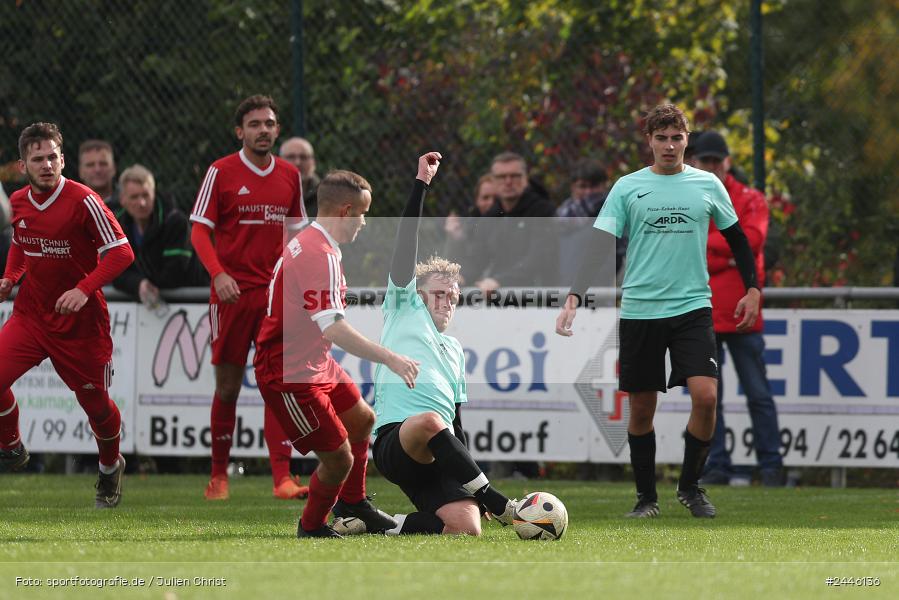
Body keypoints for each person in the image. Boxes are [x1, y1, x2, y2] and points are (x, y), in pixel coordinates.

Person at [556, 104, 761, 519]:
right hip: (641, 310)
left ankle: (690, 487)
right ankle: (646, 498)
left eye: (677, 138)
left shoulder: (707, 184)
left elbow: (739, 239)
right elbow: (598, 245)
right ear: (649, 141)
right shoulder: (628, 187)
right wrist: (574, 295)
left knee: (706, 396)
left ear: (686, 140)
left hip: (692, 308)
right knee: (643, 408)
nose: (669, 146)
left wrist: (753, 288)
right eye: (662, 138)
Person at [347, 152, 517, 537]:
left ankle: (374, 521)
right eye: (438, 294)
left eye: (453, 296)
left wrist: (469, 475)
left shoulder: (454, 349)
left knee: (464, 529)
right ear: (419, 295)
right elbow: (407, 238)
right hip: (398, 443)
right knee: (428, 420)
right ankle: (500, 502)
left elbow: (457, 423)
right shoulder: (404, 308)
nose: (447, 301)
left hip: (438, 451)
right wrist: (421, 182)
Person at [253, 168, 419, 538]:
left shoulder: (314, 241)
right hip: (289, 374)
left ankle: (353, 503)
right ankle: (311, 527)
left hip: (313, 362)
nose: (364, 221)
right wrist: (389, 357)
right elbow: (333, 328)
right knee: (338, 458)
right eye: (362, 213)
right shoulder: (319, 252)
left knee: (361, 420)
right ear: (345, 211)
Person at [0, 122, 134, 508]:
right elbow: (22, 242)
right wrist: (10, 278)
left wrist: (83, 288)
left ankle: (110, 467)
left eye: (52, 156)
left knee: (96, 406)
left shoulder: (83, 199)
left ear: (63, 158)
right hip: (32, 317)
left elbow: (122, 252)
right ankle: (11, 445)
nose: (46, 164)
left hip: (81, 326)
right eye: (37, 158)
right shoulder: (19, 202)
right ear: (23, 164)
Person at [190, 95, 309, 501]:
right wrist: (219, 274)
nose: (263, 130)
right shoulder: (220, 172)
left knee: (278, 385)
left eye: (269, 123)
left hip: (276, 298)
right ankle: (218, 477)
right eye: (255, 124)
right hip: (231, 296)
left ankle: (282, 479)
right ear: (240, 131)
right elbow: (198, 232)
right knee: (227, 387)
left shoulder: (291, 175)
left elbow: (298, 236)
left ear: (277, 130)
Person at [691, 131, 784, 487]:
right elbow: (692, 244)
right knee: (710, 398)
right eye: (706, 160)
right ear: (696, 161)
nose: (712, 166)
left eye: (717, 160)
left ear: (727, 161)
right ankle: (716, 466)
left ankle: (771, 466)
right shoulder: (691, 195)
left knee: (758, 393)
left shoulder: (750, 198)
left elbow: (752, 241)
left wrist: (717, 250)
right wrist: (729, 253)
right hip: (703, 310)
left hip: (744, 313)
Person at [112, 164, 208, 306]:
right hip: (149, 301)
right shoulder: (116, 225)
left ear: (154, 193)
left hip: (193, 301)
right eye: (134, 197)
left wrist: (141, 283)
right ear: (122, 200)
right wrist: (139, 284)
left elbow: (175, 272)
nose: (142, 203)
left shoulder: (175, 222)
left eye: (146, 195)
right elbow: (115, 272)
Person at [468, 152, 557, 292]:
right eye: (501, 177)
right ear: (493, 181)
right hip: (497, 296)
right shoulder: (490, 217)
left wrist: (500, 281)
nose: (508, 181)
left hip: (537, 298)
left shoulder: (544, 211)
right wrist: (458, 277)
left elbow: (538, 259)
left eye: (514, 176)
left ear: (525, 178)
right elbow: (477, 259)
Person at [442, 173, 498, 271]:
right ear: (477, 201)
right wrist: (455, 239)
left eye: (496, 198)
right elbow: (451, 265)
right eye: (485, 198)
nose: (491, 203)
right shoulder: (468, 227)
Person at [280, 137, 320, 217]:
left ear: (313, 162)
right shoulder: (270, 193)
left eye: (303, 157)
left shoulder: (325, 195)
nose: (298, 162)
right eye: (291, 157)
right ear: (279, 161)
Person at [78, 140, 118, 208]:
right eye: (90, 165)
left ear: (113, 168)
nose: (97, 170)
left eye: (103, 164)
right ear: (81, 171)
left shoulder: (129, 206)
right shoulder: (71, 208)